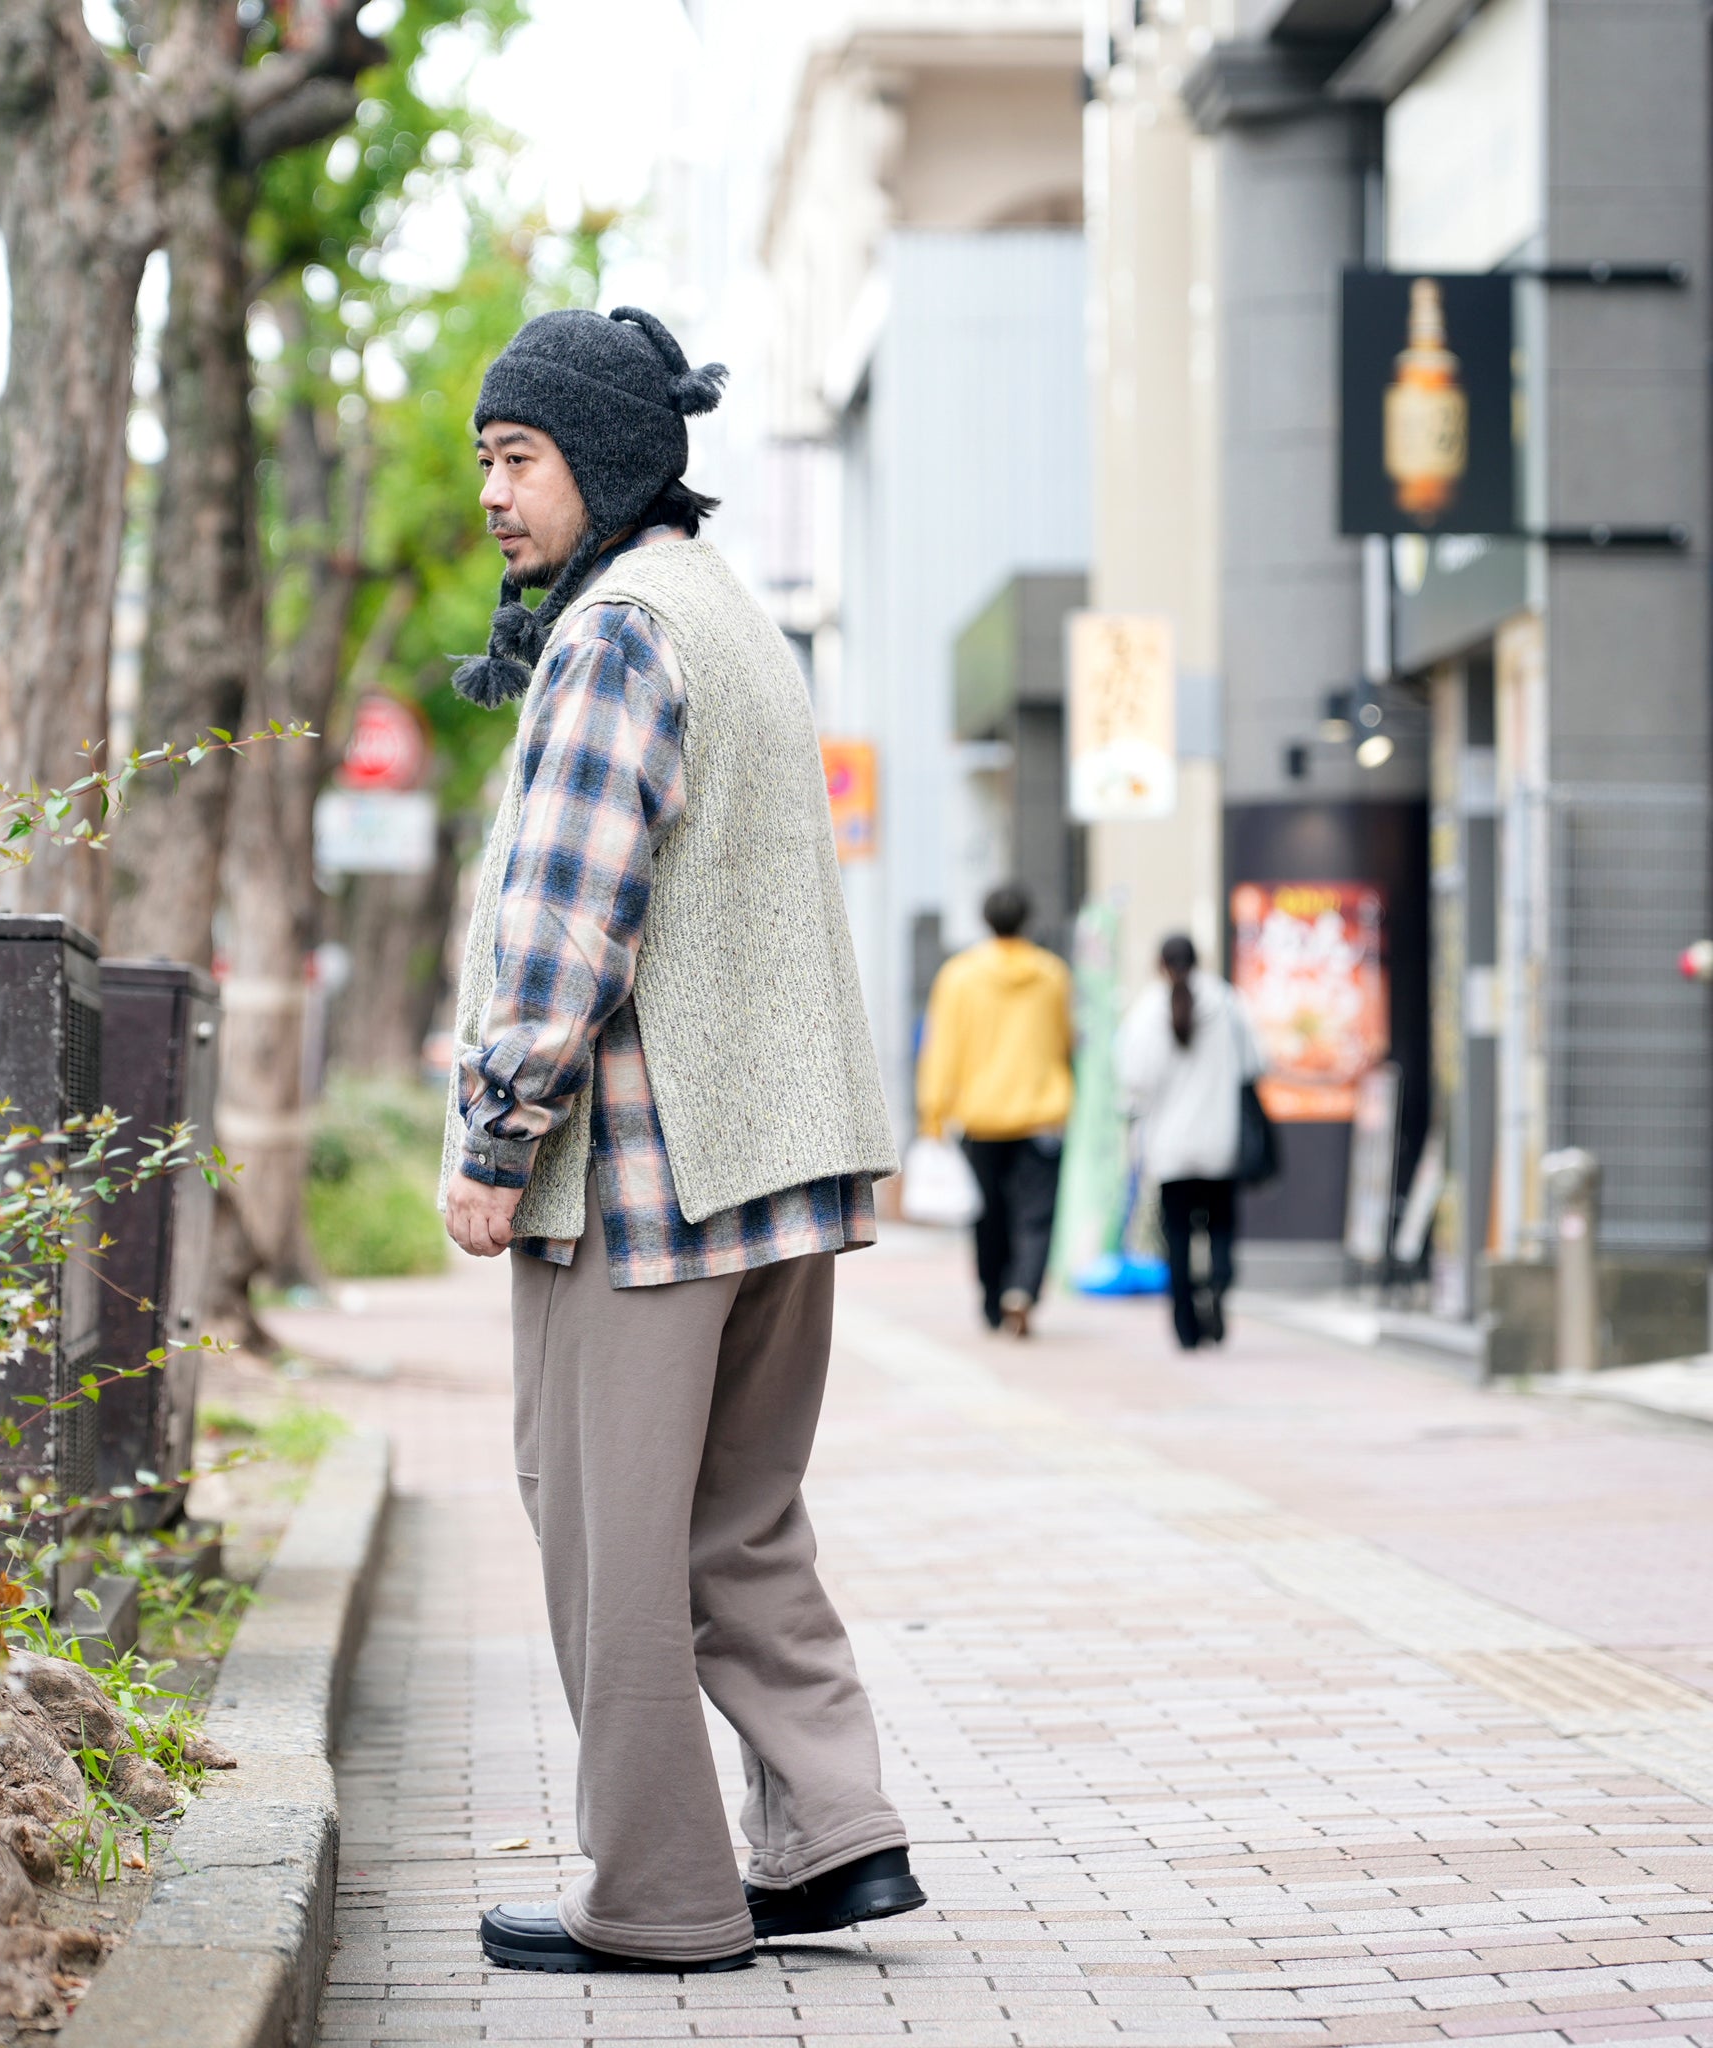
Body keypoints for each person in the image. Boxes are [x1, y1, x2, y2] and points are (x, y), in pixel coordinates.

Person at [438, 306, 919, 1977]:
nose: (492, 492)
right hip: (780, 1164)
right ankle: (834, 1831)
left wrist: (494, 1137)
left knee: (609, 1541)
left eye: (518, 457)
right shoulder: (729, 617)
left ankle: (656, 1894)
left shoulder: (616, 636)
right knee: (742, 1521)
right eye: (485, 459)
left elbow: (565, 916)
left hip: (646, 1184)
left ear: (604, 457)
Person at [914, 884, 1074, 1337]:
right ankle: (1022, 1289)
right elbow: (1065, 1040)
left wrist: (933, 1114)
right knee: (1036, 1213)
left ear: (985, 920)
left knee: (987, 1215)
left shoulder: (959, 976)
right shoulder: (1052, 974)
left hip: (980, 1117)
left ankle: (991, 1301)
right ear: (1027, 919)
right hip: (1041, 1114)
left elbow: (942, 1049)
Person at [1114, 934, 1263, 1351]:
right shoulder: (1227, 1002)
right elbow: (1255, 1063)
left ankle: (1184, 1326)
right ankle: (1216, 1285)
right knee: (1221, 1227)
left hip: (1170, 1147)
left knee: (1177, 1235)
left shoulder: (1148, 1010)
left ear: (1160, 964)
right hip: (1221, 1140)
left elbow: (1133, 1078)